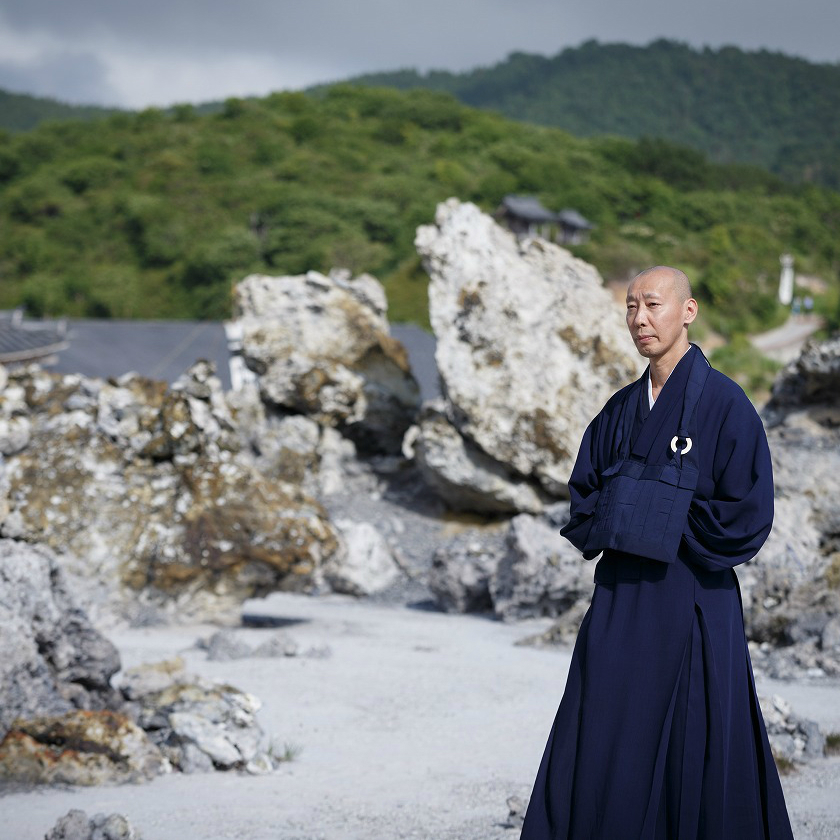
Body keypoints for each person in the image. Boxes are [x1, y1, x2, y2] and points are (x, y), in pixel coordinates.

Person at [519, 266, 794, 839]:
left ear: (687, 311)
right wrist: (641, 502)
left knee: (693, 737)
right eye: (630, 308)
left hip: (692, 599)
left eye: (653, 305)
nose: (640, 319)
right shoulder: (620, 409)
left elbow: (748, 514)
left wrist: (654, 510)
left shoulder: (725, 404)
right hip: (620, 602)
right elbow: (585, 498)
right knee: (602, 730)